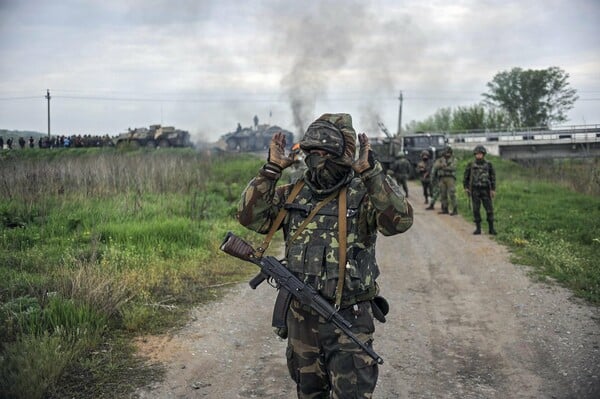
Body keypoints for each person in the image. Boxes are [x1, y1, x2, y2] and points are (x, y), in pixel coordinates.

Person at [237, 113, 413, 398]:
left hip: (349, 318)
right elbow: (248, 217)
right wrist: (271, 170)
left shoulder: (363, 194)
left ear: (341, 154)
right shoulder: (293, 194)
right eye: (312, 153)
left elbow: (400, 221)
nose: (318, 161)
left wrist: (371, 174)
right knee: (309, 393)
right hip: (301, 322)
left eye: (325, 153)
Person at [464, 145, 497, 235]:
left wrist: (493, 189)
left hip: (486, 189)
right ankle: (478, 228)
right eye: (477, 154)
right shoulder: (471, 164)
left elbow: (492, 177)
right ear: (475, 154)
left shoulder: (489, 164)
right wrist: (466, 188)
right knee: (476, 209)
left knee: (489, 209)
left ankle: (491, 228)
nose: (478, 155)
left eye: (480, 154)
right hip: (475, 190)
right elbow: (466, 177)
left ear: (483, 154)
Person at [437, 146, 458, 215]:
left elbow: (453, 168)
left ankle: (455, 209)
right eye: (446, 152)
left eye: (448, 153)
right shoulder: (441, 159)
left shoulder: (454, 159)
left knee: (452, 193)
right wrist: (442, 166)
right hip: (442, 178)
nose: (447, 154)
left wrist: (444, 167)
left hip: (450, 178)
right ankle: (445, 209)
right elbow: (437, 166)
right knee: (443, 194)